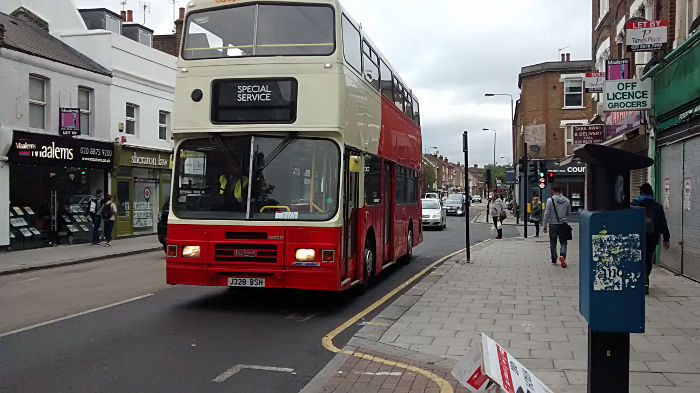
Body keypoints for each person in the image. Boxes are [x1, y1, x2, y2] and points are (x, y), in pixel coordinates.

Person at [631, 183, 670, 294]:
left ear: (641, 192)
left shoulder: (633, 204)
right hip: (652, 238)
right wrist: (666, 238)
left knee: (637, 259)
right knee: (648, 259)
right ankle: (645, 281)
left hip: (636, 237)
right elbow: (663, 223)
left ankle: (638, 281)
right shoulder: (657, 206)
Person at [543, 186, 571, 268]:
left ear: (553, 191)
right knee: (563, 242)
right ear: (561, 191)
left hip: (553, 224)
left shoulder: (550, 200)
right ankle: (562, 255)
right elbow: (569, 213)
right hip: (563, 224)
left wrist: (545, 225)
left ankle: (554, 258)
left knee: (553, 242)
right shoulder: (567, 200)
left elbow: (546, 214)